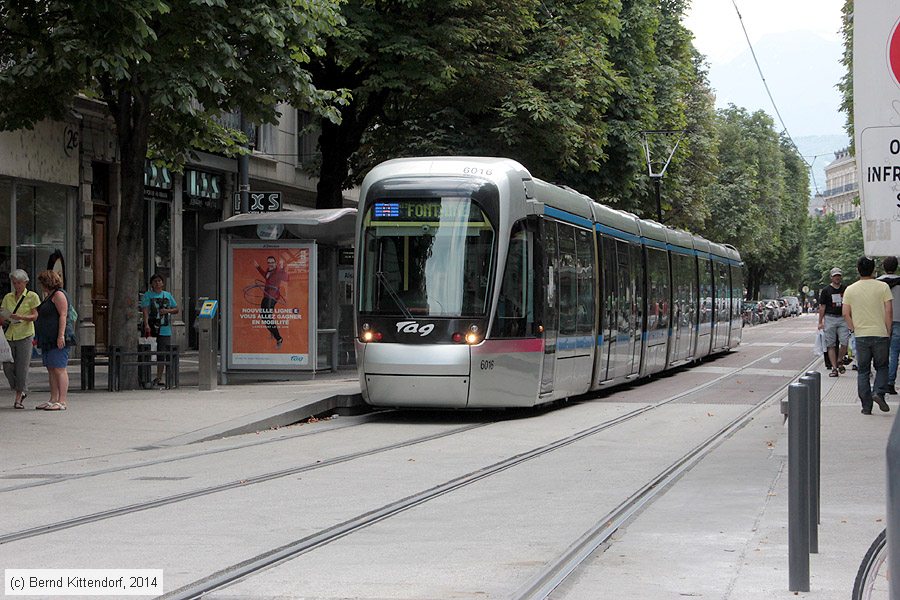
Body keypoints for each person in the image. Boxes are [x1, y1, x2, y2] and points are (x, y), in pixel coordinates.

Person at [843, 256, 893, 415]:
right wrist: (888, 330)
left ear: (858, 270)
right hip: (880, 333)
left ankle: (866, 406)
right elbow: (889, 311)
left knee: (863, 370)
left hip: (861, 335)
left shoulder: (850, 289)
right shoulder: (883, 287)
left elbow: (845, 313)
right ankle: (878, 391)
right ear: (874, 270)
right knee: (882, 366)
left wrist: (853, 329)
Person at [1, 270, 40, 409]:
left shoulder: (32, 296)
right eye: (14, 283)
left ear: (25, 282)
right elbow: (2, 315)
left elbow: (35, 316)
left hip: (25, 334)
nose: (16, 286)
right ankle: (19, 388)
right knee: (7, 366)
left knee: (22, 367)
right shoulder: (8, 297)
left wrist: (21, 317)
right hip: (10, 334)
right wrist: (5, 318)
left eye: (19, 283)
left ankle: (19, 397)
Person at [34, 270, 72, 411]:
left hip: (57, 337)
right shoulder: (49, 296)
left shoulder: (59, 295)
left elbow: (63, 315)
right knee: (51, 368)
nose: (41, 285)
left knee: (59, 368)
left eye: (42, 282)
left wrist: (61, 335)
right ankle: (53, 399)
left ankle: (62, 401)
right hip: (48, 337)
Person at [141, 273, 179, 386]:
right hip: (151, 326)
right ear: (151, 284)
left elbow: (176, 309)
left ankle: (159, 377)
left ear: (163, 283)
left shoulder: (167, 295)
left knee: (162, 352)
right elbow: (145, 310)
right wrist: (146, 324)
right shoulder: (147, 295)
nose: (157, 283)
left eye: (159, 281)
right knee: (147, 351)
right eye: (155, 281)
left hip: (164, 327)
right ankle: (145, 376)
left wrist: (167, 311)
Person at [818, 267, 850, 377]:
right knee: (830, 344)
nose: (837, 278)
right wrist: (820, 321)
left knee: (845, 341)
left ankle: (839, 359)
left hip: (842, 318)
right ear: (831, 277)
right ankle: (834, 368)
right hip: (830, 318)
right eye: (835, 276)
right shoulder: (826, 290)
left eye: (839, 276)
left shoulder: (846, 289)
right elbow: (822, 306)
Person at [877, 255, 900, 395]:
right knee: (894, 353)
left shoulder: (877, 283)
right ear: (896, 267)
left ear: (883, 267)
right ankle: (890, 383)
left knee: (880, 354)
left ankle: (880, 382)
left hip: (880, 321)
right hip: (898, 320)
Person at [254, 256, 286, 348]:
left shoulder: (277, 272)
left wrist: (282, 266)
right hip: (266, 296)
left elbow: (283, 275)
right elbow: (265, 276)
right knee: (264, 316)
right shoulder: (269, 271)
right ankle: (272, 330)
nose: (270, 264)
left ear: (275, 263)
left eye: (272, 262)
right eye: (269, 262)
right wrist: (258, 267)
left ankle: (279, 338)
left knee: (267, 318)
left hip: (272, 297)